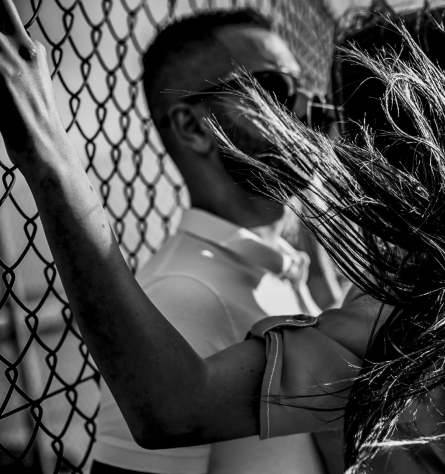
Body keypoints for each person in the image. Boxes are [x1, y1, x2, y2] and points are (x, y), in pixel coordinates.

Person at [0, 1, 445, 473]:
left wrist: (53, 159)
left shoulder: (396, 311)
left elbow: (173, 408)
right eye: (279, 91)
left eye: (339, 111)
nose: (315, 116)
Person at [87, 9, 338, 474]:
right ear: (193, 127)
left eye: (305, 90)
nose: (309, 109)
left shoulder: (275, 262)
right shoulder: (183, 298)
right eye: (275, 89)